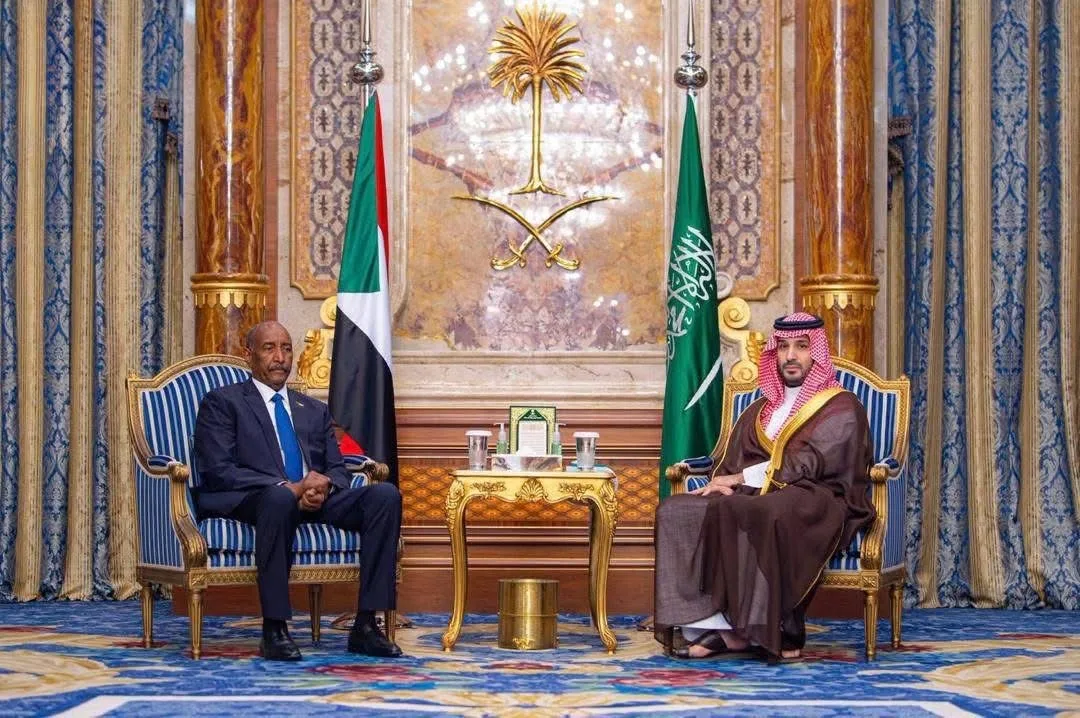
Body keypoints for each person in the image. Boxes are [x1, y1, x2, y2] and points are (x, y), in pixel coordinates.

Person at [654, 312, 875, 661]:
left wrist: (739, 480)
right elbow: (732, 460)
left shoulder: (840, 406)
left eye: (801, 346)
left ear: (816, 352)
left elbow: (810, 464)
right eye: (783, 347)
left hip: (815, 496)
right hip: (754, 496)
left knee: (757, 510)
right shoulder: (760, 408)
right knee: (677, 509)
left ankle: (777, 628)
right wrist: (721, 483)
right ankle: (716, 626)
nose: (791, 355)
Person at [193, 320, 403, 661]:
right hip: (257, 499)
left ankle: (366, 626)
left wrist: (323, 486)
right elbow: (218, 470)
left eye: (286, 349)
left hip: (313, 499)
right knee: (279, 498)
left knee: (385, 496)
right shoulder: (223, 402)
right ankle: (274, 630)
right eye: (269, 348)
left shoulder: (313, 410)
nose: (280, 357)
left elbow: (337, 468)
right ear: (248, 355)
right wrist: (289, 488)